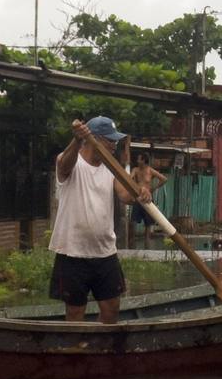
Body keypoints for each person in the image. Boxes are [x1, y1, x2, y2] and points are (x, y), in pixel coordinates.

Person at [49, 117, 150, 325]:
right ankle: (77, 351)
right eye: (110, 141)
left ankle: (102, 349)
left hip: (104, 252)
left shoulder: (111, 168)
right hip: (73, 252)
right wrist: (76, 140)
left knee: (112, 308)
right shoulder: (70, 161)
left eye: (115, 141)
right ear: (93, 139)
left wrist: (141, 192)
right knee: (75, 312)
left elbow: (125, 196)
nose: (114, 146)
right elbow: (63, 166)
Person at [128, 153, 168, 239]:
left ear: (143, 160)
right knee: (133, 223)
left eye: (139, 159)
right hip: (138, 198)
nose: (137, 161)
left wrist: (154, 188)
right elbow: (129, 179)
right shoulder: (135, 170)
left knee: (148, 224)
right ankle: (132, 244)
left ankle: (147, 246)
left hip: (148, 199)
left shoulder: (150, 170)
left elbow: (164, 179)